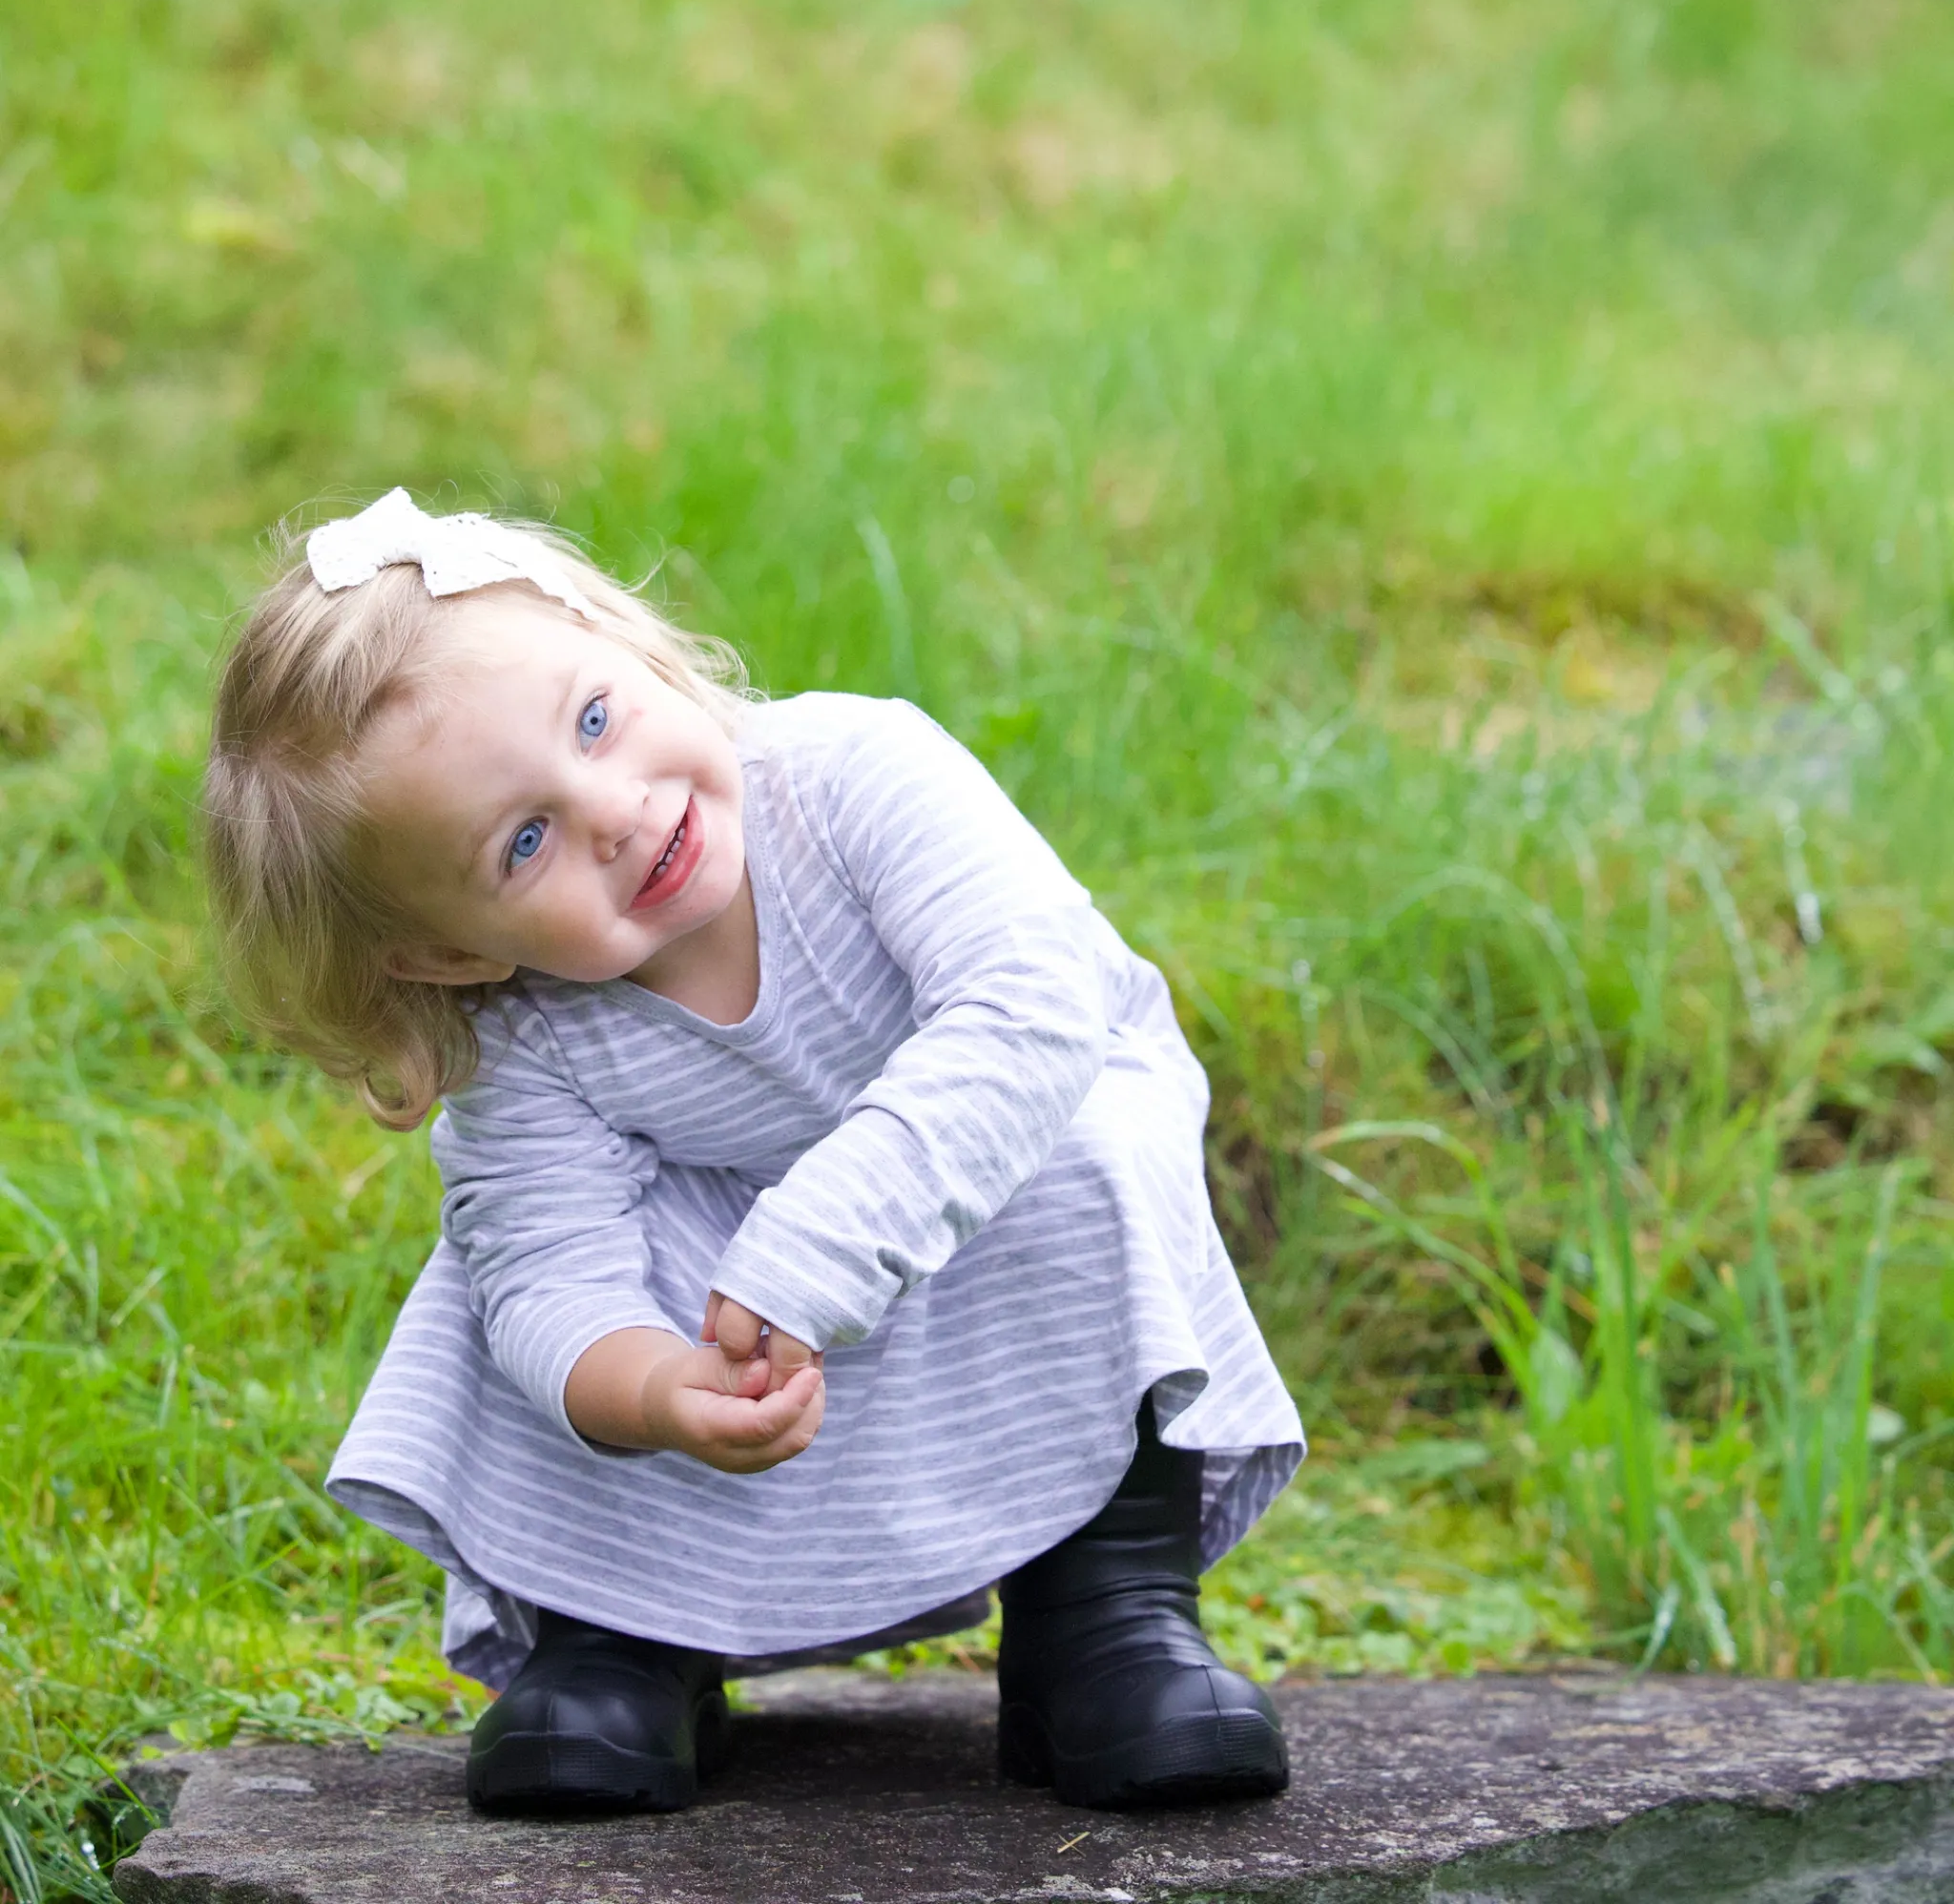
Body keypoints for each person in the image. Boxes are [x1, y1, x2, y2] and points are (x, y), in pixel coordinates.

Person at [202, 486, 1306, 1814]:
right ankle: (619, 1639)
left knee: (1090, 1147)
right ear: (449, 950)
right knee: (499, 1278)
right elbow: (552, 1275)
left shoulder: (854, 778)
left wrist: (818, 1244)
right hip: (745, 1301)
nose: (612, 809)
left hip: (997, 1160)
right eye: (526, 841)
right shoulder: (528, 1032)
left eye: (596, 719)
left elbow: (1033, 1000)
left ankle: (1103, 1617)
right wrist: (657, 1389)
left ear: (632, 644)